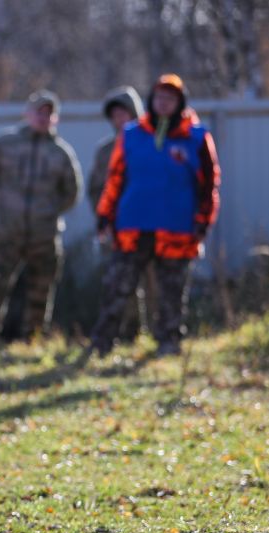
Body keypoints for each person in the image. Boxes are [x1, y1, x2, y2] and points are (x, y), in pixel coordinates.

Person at [91, 74, 220, 357]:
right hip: (133, 226)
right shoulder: (131, 134)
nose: (164, 104)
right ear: (151, 100)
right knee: (117, 287)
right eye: (160, 97)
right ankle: (102, 343)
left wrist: (203, 221)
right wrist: (105, 214)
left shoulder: (197, 137)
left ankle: (169, 342)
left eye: (171, 99)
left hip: (177, 228)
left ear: (180, 103)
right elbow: (114, 179)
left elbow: (209, 184)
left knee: (171, 292)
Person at [0, 90, 82, 340]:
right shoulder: (5, 143)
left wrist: (48, 213)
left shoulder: (61, 153)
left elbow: (72, 192)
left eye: (49, 114)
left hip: (44, 235)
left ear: (55, 118)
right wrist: (0, 208)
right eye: (39, 112)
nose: (43, 118)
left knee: (41, 290)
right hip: (8, 232)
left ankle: (32, 339)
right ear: (27, 113)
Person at [88, 86, 153, 338]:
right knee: (121, 283)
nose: (120, 119)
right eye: (115, 115)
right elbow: (96, 189)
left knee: (154, 280)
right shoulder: (105, 151)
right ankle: (129, 333)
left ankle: (158, 332)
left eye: (124, 113)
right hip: (118, 227)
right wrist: (104, 217)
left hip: (150, 224)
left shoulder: (152, 143)